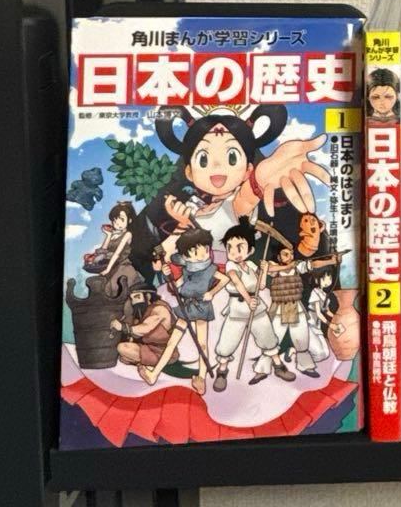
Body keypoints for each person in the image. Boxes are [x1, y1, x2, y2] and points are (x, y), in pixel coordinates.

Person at [133, 104, 330, 270]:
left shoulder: (236, 203)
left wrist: (258, 182)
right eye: (203, 159)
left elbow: (243, 202)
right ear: (189, 172)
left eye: (232, 157)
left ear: (247, 170)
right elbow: (161, 256)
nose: (218, 166)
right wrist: (182, 225)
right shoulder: (191, 203)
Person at [137, 227, 229, 395]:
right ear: (186, 256)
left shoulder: (210, 269)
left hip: (201, 307)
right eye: (196, 252)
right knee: (172, 341)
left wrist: (212, 292)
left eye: (205, 249)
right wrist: (167, 276)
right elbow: (177, 286)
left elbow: (225, 279)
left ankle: (201, 379)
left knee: (202, 344)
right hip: (186, 307)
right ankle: (153, 374)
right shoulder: (187, 268)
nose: (203, 254)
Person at [212, 217, 291, 390]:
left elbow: (260, 286)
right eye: (230, 248)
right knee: (228, 341)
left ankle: (278, 366)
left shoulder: (250, 264)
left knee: (267, 336)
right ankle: (222, 371)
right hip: (238, 307)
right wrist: (249, 300)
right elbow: (237, 283)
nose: (234, 252)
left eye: (239, 247)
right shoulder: (231, 265)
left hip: (257, 307)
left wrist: (264, 270)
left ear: (250, 250)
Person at [266, 244, 340, 378]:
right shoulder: (274, 267)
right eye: (285, 254)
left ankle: (304, 366)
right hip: (280, 308)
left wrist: (331, 261)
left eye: (291, 254)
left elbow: (313, 264)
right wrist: (288, 266)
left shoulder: (297, 267)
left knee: (301, 339)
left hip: (295, 307)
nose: (290, 257)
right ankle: (263, 369)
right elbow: (268, 269)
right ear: (278, 257)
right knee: (273, 339)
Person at [110, 284, 176, 371]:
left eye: (137, 297)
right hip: (148, 348)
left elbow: (146, 328)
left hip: (164, 352)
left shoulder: (160, 309)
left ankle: (144, 363)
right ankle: (140, 361)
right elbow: (136, 334)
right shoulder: (142, 312)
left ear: (147, 296)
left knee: (122, 348)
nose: (134, 302)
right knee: (122, 355)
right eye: (132, 299)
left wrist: (123, 327)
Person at [85, 201, 140, 299]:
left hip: (122, 267)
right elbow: (103, 251)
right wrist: (108, 235)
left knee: (115, 288)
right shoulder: (114, 234)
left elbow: (117, 254)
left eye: (121, 219)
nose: (117, 223)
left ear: (130, 220)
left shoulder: (127, 234)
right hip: (111, 266)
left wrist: (108, 269)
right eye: (115, 220)